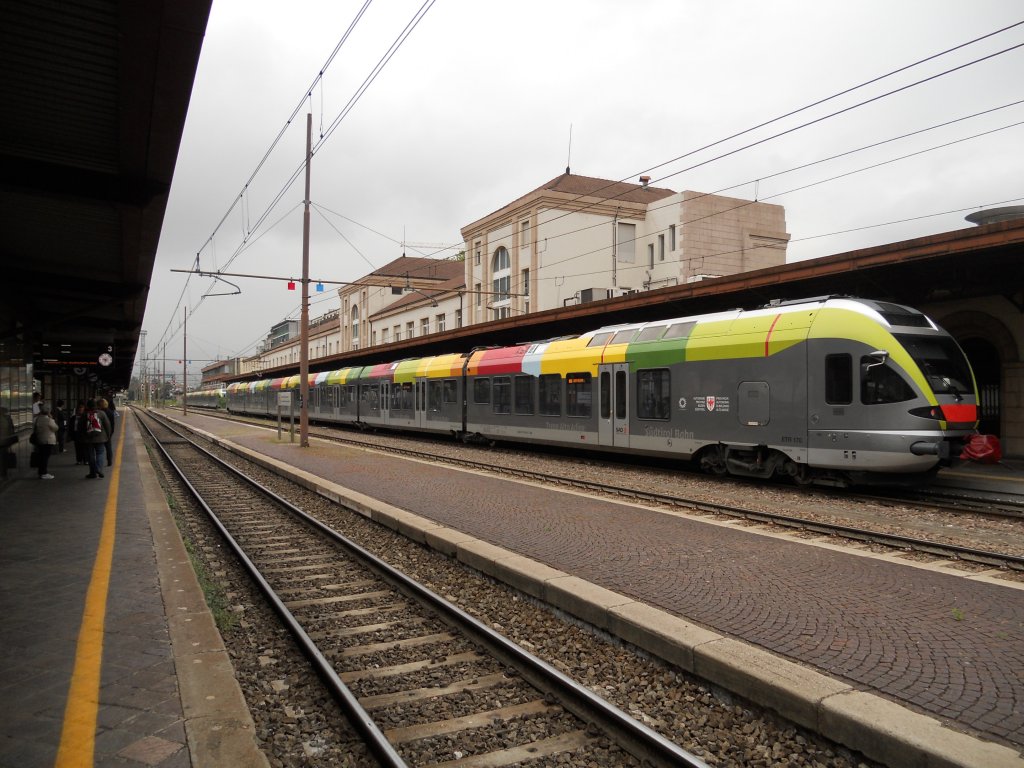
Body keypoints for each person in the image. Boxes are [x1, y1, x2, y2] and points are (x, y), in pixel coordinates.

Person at [83, 399, 111, 479]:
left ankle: (93, 473)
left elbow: (80, 427)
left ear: (88, 406)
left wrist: (82, 437)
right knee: (100, 453)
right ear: (96, 406)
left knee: (91, 456)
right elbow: (107, 425)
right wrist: (108, 436)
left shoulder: (85, 414)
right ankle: (98, 469)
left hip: (88, 438)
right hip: (100, 438)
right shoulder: (102, 413)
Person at [32, 404, 59, 479]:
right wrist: (52, 418)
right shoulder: (49, 420)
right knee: (45, 457)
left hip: (39, 440)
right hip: (48, 441)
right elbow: (56, 428)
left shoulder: (37, 419)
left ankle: (41, 472)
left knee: (41, 457)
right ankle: (44, 473)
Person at [98, 396, 116, 467]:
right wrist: (111, 433)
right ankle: (109, 461)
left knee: (99, 449)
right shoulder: (110, 412)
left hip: (100, 433)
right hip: (108, 433)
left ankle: (99, 463)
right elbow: (112, 424)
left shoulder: (99, 412)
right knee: (108, 448)